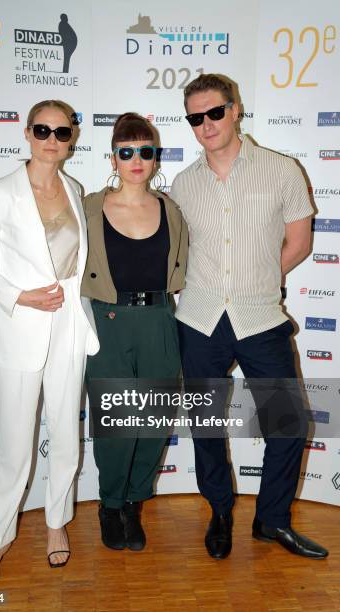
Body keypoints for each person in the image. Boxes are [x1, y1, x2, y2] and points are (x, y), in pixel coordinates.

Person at [171, 74, 328, 560]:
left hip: (260, 318)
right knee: (206, 426)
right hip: (198, 320)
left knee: (288, 424)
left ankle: (271, 521)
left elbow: (299, 242)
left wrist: (256, 279)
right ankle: (219, 512)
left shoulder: (282, 170)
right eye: (195, 118)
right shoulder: (182, 183)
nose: (206, 125)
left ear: (235, 109)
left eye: (214, 112)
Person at [0, 99, 99, 589]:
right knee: (15, 447)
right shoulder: (0, 193)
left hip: (68, 330)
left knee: (65, 436)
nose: (51, 140)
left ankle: (56, 522)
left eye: (62, 132)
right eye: (42, 130)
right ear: (27, 132)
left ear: (72, 138)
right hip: (20, 329)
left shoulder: (75, 188)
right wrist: (19, 296)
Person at [82, 112, 188, 551]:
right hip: (109, 322)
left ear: (155, 158)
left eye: (146, 151)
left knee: (156, 418)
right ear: (113, 158)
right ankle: (110, 504)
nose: (137, 160)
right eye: (127, 152)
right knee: (118, 423)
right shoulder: (89, 206)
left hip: (160, 318)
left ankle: (134, 503)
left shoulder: (170, 208)